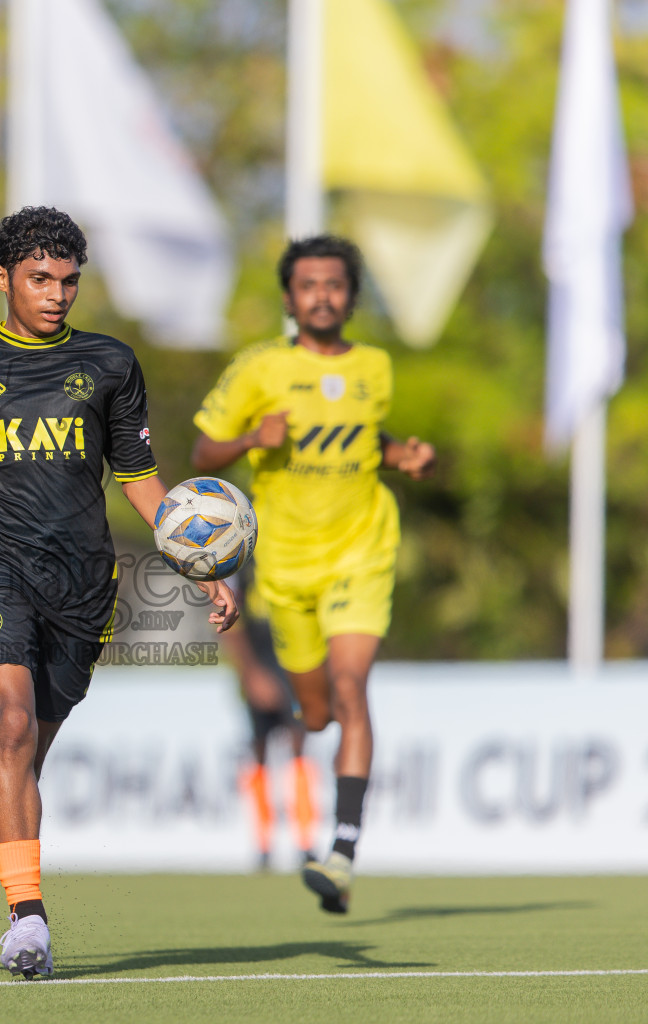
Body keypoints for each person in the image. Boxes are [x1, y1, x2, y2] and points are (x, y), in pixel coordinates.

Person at [0, 207, 237, 979]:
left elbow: (140, 481)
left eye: (68, 281)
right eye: (39, 279)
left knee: (23, 760)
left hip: (85, 585)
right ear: (2, 278)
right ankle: (28, 921)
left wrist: (205, 562)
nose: (56, 294)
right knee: (13, 721)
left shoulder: (110, 365)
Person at [191, 235, 436, 914]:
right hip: (288, 570)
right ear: (290, 298)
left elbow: (363, 437)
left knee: (353, 686)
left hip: (363, 551)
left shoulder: (375, 368)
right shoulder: (259, 369)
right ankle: (321, 730)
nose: (322, 295)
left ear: (352, 296)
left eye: (335, 284)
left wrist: (403, 455)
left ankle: (342, 852)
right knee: (318, 714)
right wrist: (248, 442)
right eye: (309, 285)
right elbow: (202, 450)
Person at [220, 572, 318, 870]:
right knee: (259, 749)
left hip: (293, 664)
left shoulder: (292, 553)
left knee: (300, 743)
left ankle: (306, 842)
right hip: (259, 665)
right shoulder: (243, 561)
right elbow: (229, 623)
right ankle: (263, 845)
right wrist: (251, 674)